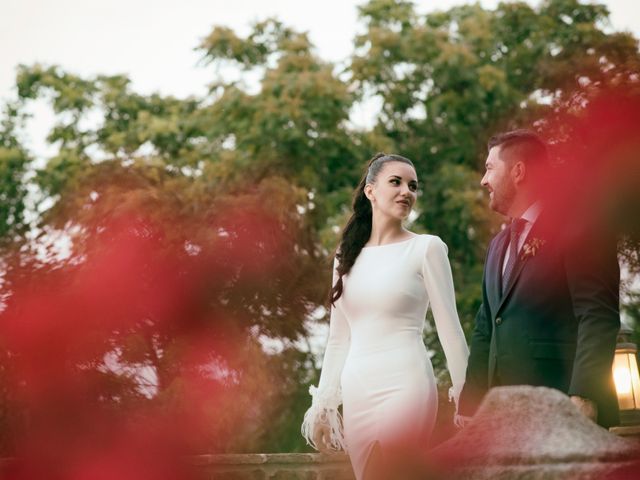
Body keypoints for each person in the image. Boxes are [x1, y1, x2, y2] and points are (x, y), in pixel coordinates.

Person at [301, 153, 469, 479]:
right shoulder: (345, 257)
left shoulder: (426, 248)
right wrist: (323, 406)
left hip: (406, 384)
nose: (407, 191)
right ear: (370, 191)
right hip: (358, 389)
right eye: (396, 182)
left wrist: (467, 392)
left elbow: (450, 329)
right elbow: (338, 339)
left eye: (413, 186)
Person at [457, 130, 620, 428]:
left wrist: (584, 396)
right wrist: (470, 405)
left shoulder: (580, 229)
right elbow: (486, 326)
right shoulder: (497, 245)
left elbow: (597, 315)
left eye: (490, 168)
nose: (483, 180)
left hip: (563, 407)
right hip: (502, 415)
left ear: (518, 171)